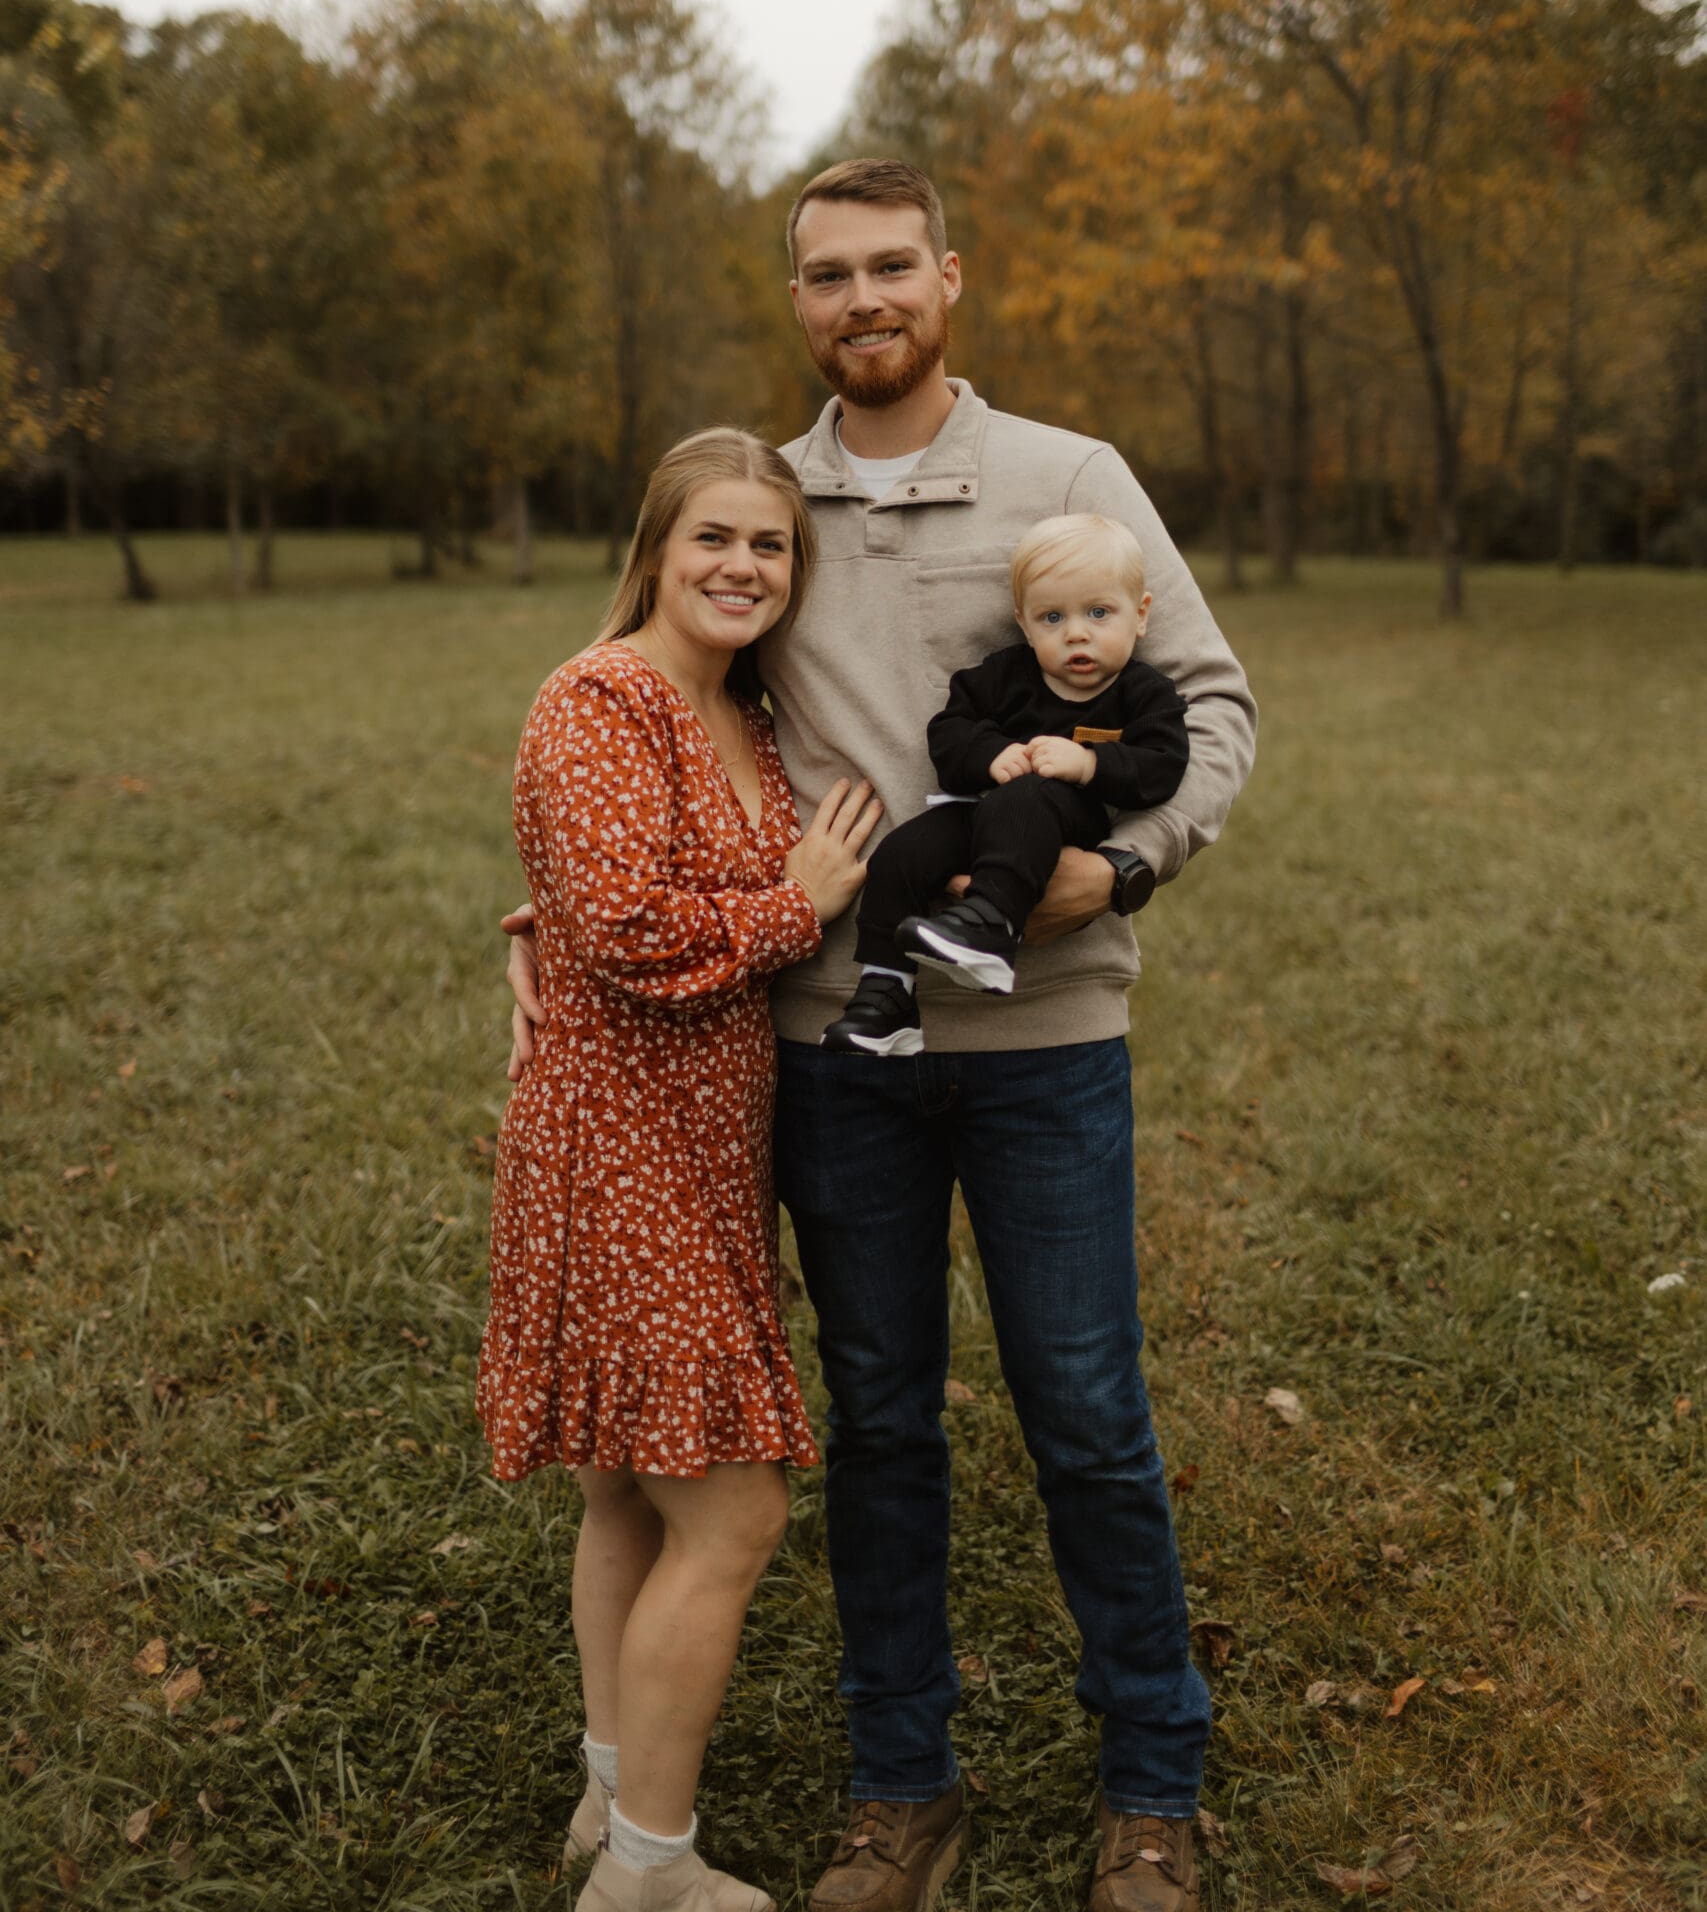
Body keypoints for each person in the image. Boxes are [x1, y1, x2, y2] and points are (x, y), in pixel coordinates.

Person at [505, 161, 1257, 1912]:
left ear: (949, 278)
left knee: (1082, 1409)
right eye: (826, 275)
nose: (863, 301)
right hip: (834, 1043)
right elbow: (663, 727)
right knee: (880, 1421)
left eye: (890, 268)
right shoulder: (773, 510)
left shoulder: (1070, 482)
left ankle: (1151, 1786)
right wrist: (549, 903)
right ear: (797, 303)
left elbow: (1209, 707)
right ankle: (899, 1787)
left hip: (1045, 1038)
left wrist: (1119, 864)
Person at [478, 427, 881, 1912]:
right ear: (654, 548)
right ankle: (650, 1874)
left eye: (768, 546)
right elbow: (638, 935)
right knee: (733, 1512)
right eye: (713, 538)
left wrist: (527, 928)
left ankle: (609, 1795)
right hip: (617, 1144)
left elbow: (592, 891)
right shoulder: (603, 696)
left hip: (703, 1144)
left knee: (630, 1501)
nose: (741, 566)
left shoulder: (738, 708)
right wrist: (799, 903)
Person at [823, 512, 1189, 1055]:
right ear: (1023, 623)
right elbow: (949, 731)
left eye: (1098, 612)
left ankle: (991, 926)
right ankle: (886, 994)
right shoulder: (1004, 675)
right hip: (982, 809)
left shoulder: (1143, 692)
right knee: (903, 852)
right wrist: (990, 755)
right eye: (1052, 618)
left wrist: (1090, 764)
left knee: (1028, 799)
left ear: (1140, 616)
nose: (1077, 633)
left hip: (1067, 823)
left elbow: (1163, 765)